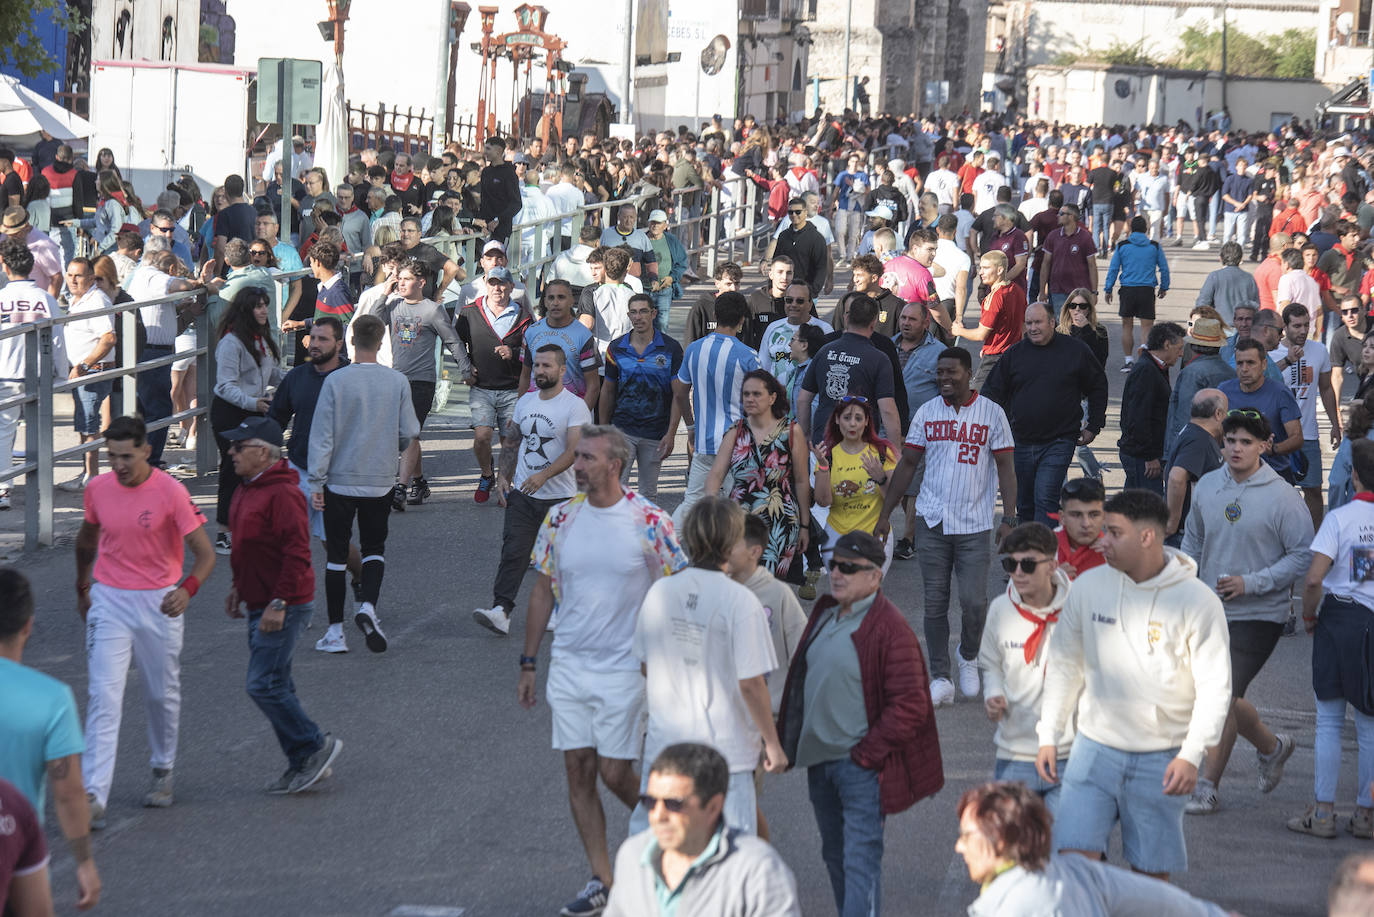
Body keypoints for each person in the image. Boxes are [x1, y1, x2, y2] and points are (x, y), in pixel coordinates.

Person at [517, 425, 686, 916]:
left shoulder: (649, 519)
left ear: (614, 464)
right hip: (569, 663)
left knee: (615, 772)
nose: (578, 465)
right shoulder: (562, 518)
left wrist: (665, 661)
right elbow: (543, 589)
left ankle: (676, 842)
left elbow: (676, 590)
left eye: (587, 457)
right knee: (578, 771)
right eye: (578, 457)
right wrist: (529, 661)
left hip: (625, 668)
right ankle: (602, 879)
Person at [1035, 489, 1231, 879]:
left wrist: (1192, 755)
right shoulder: (1089, 588)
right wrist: (1048, 734)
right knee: (1072, 861)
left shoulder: (1199, 602)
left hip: (1161, 758)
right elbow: (1063, 666)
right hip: (1092, 750)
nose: (1101, 540)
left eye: (1113, 532)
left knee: (1151, 877)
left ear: (1147, 538)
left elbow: (1215, 688)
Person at [775, 530, 942, 917]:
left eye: (848, 568)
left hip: (859, 768)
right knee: (835, 856)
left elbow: (911, 705)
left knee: (859, 861)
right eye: (833, 564)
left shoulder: (889, 627)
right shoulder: (825, 612)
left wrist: (865, 755)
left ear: (875, 576)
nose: (836, 574)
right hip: (820, 763)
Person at [74, 415, 216, 822]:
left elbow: (204, 555)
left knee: (160, 692)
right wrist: (82, 586)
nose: (118, 465)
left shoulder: (170, 491)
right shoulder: (98, 488)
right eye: (111, 456)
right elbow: (87, 540)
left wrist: (186, 591)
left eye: (126, 457)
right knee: (104, 694)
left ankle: (162, 769)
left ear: (146, 451)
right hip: (110, 599)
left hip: (159, 601)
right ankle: (93, 795)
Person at [629, 499, 787, 836]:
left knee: (662, 851)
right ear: (732, 542)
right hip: (726, 753)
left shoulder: (660, 592)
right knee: (726, 863)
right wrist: (772, 744)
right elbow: (751, 684)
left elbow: (646, 667)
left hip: (665, 747)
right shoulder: (741, 602)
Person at [1181, 411, 1310, 816]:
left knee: (1220, 696)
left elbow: (1303, 555)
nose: (1236, 448)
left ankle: (1206, 787)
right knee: (1217, 694)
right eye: (1230, 440)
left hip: (1260, 614)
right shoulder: (1208, 487)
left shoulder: (1283, 497)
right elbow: (1192, 541)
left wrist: (1250, 582)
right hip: (1209, 611)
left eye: (1246, 442)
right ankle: (1273, 747)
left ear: (1264, 445)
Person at [878, 347, 1017, 707]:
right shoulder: (927, 413)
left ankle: (968, 655)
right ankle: (940, 676)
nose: (943, 379)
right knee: (935, 603)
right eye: (940, 373)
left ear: (968, 374)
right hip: (932, 520)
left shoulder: (992, 414)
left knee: (974, 603)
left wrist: (1010, 518)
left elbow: (1005, 468)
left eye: (951, 373)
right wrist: (885, 515)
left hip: (974, 523)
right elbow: (908, 464)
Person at [220, 416, 342, 794]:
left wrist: (278, 602)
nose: (230, 452)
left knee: (262, 684)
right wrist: (239, 586)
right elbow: (248, 546)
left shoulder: (283, 494)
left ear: (261, 451)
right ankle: (302, 761)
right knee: (278, 683)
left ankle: (313, 745)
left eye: (238, 447)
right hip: (260, 598)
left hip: (283, 604)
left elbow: (297, 553)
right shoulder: (248, 486)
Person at [308, 314, 419, 654]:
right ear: (383, 342)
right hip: (379, 479)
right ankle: (368, 606)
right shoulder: (398, 382)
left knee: (336, 555)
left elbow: (322, 436)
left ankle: (335, 632)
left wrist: (316, 480)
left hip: (339, 480)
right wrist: (392, 449)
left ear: (351, 341)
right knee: (374, 549)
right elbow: (409, 431)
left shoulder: (336, 382)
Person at [956, 782, 1234, 917]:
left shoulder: (1021, 905)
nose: (959, 846)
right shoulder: (1072, 870)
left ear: (1001, 840)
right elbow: (1159, 901)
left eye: (967, 836)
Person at [473, 345, 592, 636]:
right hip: (524, 495)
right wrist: (504, 476)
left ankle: (562, 610)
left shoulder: (575, 406)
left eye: (547, 366)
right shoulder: (525, 402)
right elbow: (512, 441)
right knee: (513, 553)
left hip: (563, 498)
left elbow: (575, 450)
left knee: (564, 559)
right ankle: (501, 610)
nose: (540, 371)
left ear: (562, 370)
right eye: (537, 366)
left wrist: (544, 475)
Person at [0, 568, 101, 910]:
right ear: (28, 626)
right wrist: (84, 862)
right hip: (14, 848)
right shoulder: (51, 698)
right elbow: (69, 792)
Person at [605, 743, 801, 917]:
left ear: (713, 807)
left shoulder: (757, 871)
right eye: (650, 802)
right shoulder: (632, 856)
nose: (658, 816)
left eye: (673, 804)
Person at [1294, 438, 1374, 839]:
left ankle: (1323, 812)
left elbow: (1313, 578)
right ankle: (1366, 813)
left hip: (1340, 617)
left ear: (1354, 474)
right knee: (1369, 725)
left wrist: (1309, 614)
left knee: (1328, 720)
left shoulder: (1340, 518)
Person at [982, 301, 1108, 525]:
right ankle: (1028, 552)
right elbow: (991, 393)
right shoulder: (1015, 354)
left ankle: (1044, 555)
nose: (1033, 328)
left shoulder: (1075, 351)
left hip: (1059, 441)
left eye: (1038, 322)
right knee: (1025, 503)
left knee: (1046, 498)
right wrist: (993, 430)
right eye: (1028, 323)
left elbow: (1098, 386)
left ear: (1052, 322)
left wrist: (1093, 426)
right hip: (1020, 441)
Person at [978, 523, 1074, 814]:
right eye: (1011, 564)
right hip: (1014, 752)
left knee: (1066, 851)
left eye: (1028, 565)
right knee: (1015, 853)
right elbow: (991, 662)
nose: (1018, 573)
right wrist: (993, 693)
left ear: (1052, 565)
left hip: (1070, 755)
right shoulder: (1000, 609)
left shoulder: (1078, 610)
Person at [370, 257, 473, 509]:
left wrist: (465, 368)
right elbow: (372, 323)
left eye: (406, 279)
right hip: (396, 379)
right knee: (406, 435)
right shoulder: (393, 305)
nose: (401, 283)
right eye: (400, 279)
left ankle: (400, 488)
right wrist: (385, 290)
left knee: (410, 432)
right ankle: (419, 482)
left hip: (422, 381)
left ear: (421, 282)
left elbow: (453, 341)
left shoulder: (432, 310)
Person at [704, 371, 811, 579]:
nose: (750, 399)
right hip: (739, 520)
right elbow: (715, 475)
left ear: (772, 398)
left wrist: (805, 525)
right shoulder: (736, 431)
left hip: (781, 521)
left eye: (756, 394)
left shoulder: (791, 431)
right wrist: (711, 511)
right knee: (738, 584)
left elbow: (801, 481)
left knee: (771, 590)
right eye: (746, 394)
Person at [672, 292, 761, 525]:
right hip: (739, 446)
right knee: (737, 509)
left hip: (704, 441)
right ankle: (732, 556)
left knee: (692, 505)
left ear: (714, 315)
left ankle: (672, 551)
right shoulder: (749, 356)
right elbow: (761, 404)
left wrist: (691, 426)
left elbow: (680, 392)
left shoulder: (693, 350)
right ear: (742, 320)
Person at [210, 288, 283, 554]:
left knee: (258, 468)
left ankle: (249, 524)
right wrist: (254, 403)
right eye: (258, 306)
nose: (264, 310)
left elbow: (270, 373)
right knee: (233, 469)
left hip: (253, 410)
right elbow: (226, 385)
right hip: (230, 412)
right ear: (245, 310)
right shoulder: (231, 342)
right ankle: (223, 532)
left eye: (265, 305)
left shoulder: (260, 338)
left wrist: (294, 379)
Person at [456, 264, 535, 504]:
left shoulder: (523, 316)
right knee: (482, 437)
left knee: (508, 440)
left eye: (502, 283)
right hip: (482, 388)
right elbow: (455, 343)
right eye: (493, 283)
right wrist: (466, 366)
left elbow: (532, 352)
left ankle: (505, 485)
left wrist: (513, 352)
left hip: (512, 389)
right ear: (486, 285)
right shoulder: (470, 312)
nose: (497, 288)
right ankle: (487, 474)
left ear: (512, 287)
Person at [797, 294, 902, 446]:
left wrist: (806, 437)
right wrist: (895, 450)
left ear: (847, 319)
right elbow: (887, 410)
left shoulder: (824, 351)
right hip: (860, 447)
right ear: (873, 323)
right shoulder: (879, 359)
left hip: (823, 444)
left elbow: (802, 400)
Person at [1272, 302, 1341, 528]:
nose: (1303, 331)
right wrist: (1288, 360)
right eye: (1297, 326)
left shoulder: (1319, 350)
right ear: (1285, 327)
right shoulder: (1271, 353)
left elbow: (1327, 388)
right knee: (1278, 493)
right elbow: (1264, 383)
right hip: (1277, 436)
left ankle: (1316, 539)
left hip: (1307, 435)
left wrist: (1335, 423)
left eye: (1306, 325)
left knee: (1312, 489)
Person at [57, 259, 117, 492]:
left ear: (91, 278)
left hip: (93, 370)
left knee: (89, 425)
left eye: (78, 276)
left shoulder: (96, 300)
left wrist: (83, 365)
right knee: (84, 423)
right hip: (84, 370)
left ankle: (91, 475)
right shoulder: (78, 299)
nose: (72, 280)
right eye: (70, 275)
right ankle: (86, 473)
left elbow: (109, 337)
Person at [892, 300, 943, 559]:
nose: (905, 323)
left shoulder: (939, 353)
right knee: (895, 484)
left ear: (926, 322)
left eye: (912, 319)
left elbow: (947, 393)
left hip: (919, 431)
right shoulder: (888, 346)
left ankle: (908, 539)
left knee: (913, 486)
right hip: (888, 428)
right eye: (903, 318)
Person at [1218, 338, 1303, 482]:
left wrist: (1273, 449)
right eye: (1240, 363)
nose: (1244, 369)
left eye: (1250, 363)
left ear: (1264, 365)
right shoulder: (1223, 391)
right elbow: (1213, 431)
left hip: (1274, 474)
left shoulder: (1280, 393)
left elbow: (1296, 437)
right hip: (1232, 474)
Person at [1117, 322, 1186, 495]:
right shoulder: (1146, 371)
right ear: (1167, 344)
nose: (1181, 354)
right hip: (1142, 458)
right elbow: (1138, 417)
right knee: (1148, 511)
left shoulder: (1154, 367)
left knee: (1132, 508)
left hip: (1140, 454)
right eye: (1179, 348)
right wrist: (1149, 457)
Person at [519, 279, 601, 413]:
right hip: (536, 411)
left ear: (571, 301)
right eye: (551, 298)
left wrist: (580, 417)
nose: (555, 303)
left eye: (561, 297)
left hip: (571, 412)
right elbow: (525, 376)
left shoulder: (584, 335)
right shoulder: (531, 332)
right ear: (545, 301)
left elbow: (593, 386)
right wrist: (520, 411)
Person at [952, 251, 1027, 390]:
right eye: (981, 267)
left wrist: (959, 330)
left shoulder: (993, 298)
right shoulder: (1017, 290)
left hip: (994, 359)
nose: (981, 272)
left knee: (977, 399)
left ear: (999, 270)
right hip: (1015, 355)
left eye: (986, 268)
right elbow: (1023, 327)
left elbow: (980, 334)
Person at [1105, 215, 1171, 370]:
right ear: (1146, 229)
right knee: (1146, 327)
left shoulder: (1122, 246)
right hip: (1147, 290)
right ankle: (1144, 361)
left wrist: (1108, 288)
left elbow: (1114, 269)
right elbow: (1164, 268)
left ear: (1132, 229)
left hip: (1128, 289)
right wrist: (1164, 286)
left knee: (1127, 326)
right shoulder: (1154, 246)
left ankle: (1128, 360)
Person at [1164, 388, 1228, 546]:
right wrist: (1173, 522)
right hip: (1187, 536)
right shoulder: (1199, 440)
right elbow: (1176, 477)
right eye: (1226, 412)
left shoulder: (1192, 431)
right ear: (1218, 414)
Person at [1165, 318, 1234, 457]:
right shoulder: (1229, 371)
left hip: (1194, 450)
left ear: (1192, 346)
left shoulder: (1192, 372)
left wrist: (1175, 453)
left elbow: (1184, 416)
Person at [758, 282, 832, 392]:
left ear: (810, 304)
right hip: (776, 402)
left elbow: (828, 369)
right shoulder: (773, 328)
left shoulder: (824, 329)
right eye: (789, 300)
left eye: (800, 301)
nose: (793, 304)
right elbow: (763, 366)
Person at [1037, 203, 1098, 316]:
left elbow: (1092, 266)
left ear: (1071, 216)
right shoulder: (1053, 236)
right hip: (1058, 290)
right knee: (1061, 326)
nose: (1057, 216)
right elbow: (1045, 264)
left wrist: (1094, 292)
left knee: (1080, 325)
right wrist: (1042, 290)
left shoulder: (1085, 237)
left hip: (1080, 292)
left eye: (1061, 213)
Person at [771, 198, 829, 297]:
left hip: (806, 294)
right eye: (790, 212)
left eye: (798, 212)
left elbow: (821, 268)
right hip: (783, 292)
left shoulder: (817, 238)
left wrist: (813, 292)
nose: (794, 215)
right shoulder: (783, 236)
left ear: (805, 213)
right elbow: (776, 262)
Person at [1195, 242, 1259, 325]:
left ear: (1220, 258)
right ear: (1240, 259)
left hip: (1220, 327)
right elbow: (1255, 305)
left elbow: (1202, 304)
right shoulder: (1249, 278)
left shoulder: (1215, 276)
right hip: (1243, 327)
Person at [477, 137, 521, 244]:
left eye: (488, 149)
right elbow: (484, 199)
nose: (485, 152)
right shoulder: (485, 172)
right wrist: (482, 222)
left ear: (498, 151)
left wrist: (498, 220)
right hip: (485, 228)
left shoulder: (509, 173)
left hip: (502, 229)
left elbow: (516, 203)